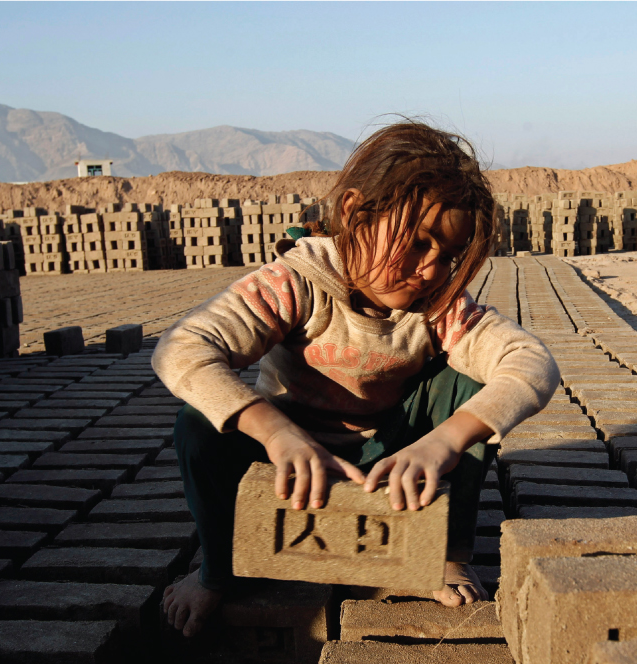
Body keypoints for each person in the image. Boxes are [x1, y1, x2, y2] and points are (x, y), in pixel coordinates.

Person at [152, 121, 559, 637]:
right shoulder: (295, 283)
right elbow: (181, 348)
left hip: (392, 459)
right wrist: (275, 433)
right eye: (417, 243)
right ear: (352, 212)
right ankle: (219, 568)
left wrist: (445, 443)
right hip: (289, 457)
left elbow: (532, 361)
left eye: (448, 257)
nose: (430, 270)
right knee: (199, 426)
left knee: (470, 387)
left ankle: (444, 552)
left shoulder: (438, 308)